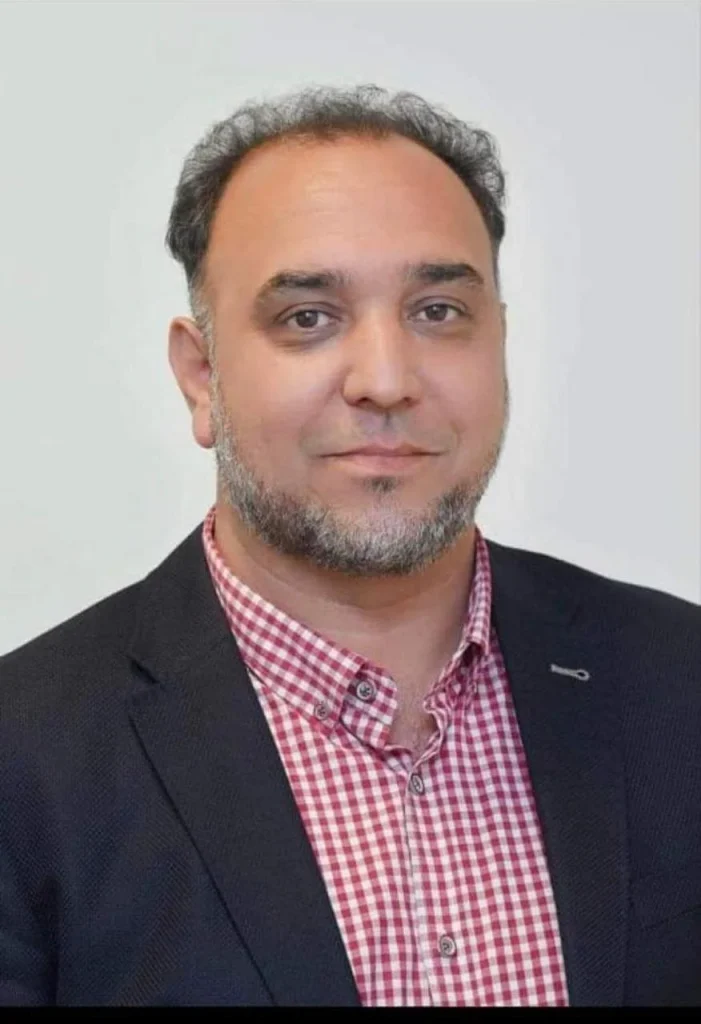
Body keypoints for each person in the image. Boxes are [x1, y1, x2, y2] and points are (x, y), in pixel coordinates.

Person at [0, 84, 698, 1008]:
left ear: (499, 343)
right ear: (201, 377)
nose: (385, 379)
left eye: (437, 311)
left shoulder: (678, 680)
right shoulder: (24, 760)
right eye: (307, 317)